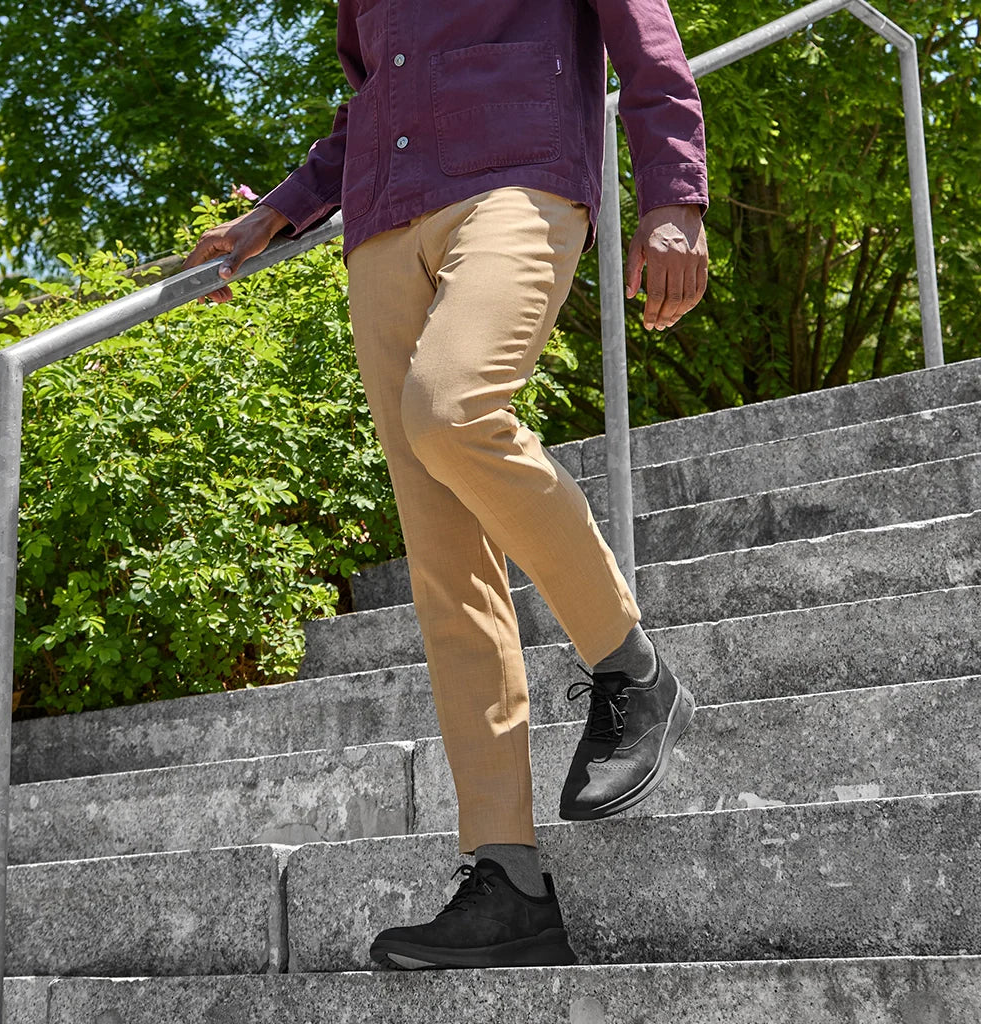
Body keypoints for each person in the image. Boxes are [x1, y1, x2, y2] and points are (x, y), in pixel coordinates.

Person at [183, 0, 708, 970]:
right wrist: (277, 210)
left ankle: (632, 666)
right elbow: (371, 98)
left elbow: (646, 40)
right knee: (440, 551)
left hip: (516, 178)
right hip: (383, 225)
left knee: (452, 409)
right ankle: (508, 879)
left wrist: (674, 195)